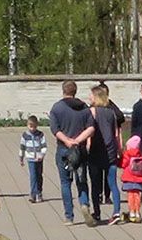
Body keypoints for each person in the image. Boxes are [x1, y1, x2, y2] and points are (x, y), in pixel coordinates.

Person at [47, 80, 97, 226]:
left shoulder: (57, 108)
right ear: (75, 91)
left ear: (63, 91)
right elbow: (91, 128)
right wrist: (78, 140)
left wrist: (68, 141)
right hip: (80, 149)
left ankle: (69, 216)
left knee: (65, 183)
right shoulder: (84, 108)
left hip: (64, 149)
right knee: (81, 180)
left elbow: (55, 130)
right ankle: (84, 204)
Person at [87, 85, 123, 225]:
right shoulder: (111, 113)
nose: (89, 97)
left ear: (96, 97)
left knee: (95, 185)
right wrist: (119, 150)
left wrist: (87, 146)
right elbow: (115, 133)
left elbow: (90, 132)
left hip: (96, 152)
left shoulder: (92, 112)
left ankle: (97, 213)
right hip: (111, 152)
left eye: (91, 95)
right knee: (113, 183)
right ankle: (116, 212)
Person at [94, 82, 127, 205]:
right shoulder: (94, 108)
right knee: (99, 174)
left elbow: (118, 127)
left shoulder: (112, 109)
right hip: (98, 145)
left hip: (109, 146)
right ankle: (99, 194)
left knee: (109, 174)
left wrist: (120, 146)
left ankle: (107, 195)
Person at [18, 115, 47, 203]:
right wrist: (21, 157)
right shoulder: (25, 135)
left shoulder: (40, 135)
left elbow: (44, 146)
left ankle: (39, 192)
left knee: (39, 176)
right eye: (31, 126)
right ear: (27, 125)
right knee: (33, 176)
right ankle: (34, 194)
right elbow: (22, 147)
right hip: (30, 158)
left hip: (39, 158)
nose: (32, 129)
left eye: (34, 127)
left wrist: (41, 155)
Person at [120, 135, 142, 223]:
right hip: (138, 178)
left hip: (129, 178)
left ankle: (131, 211)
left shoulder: (127, 154)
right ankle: (137, 212)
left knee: (130, 195)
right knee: (137, 195)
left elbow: (123, 164)